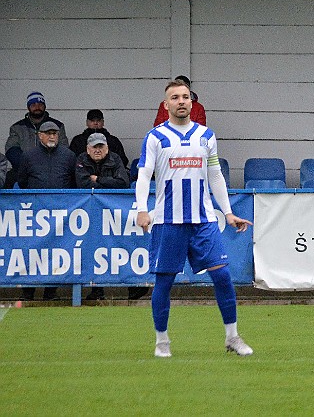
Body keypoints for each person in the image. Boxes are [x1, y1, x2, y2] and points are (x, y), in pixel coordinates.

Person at [136, 78, 253, 357]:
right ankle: (162, 341)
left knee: (223, 276)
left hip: (203, 220)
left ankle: (232, 337)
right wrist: (141, 208)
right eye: (174, 97)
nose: (181, 101)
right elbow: (144, 173)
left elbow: (215, 175)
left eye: (185, 97)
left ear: (192, 102)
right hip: (168, 221)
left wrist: (228, 212)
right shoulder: (155, 137)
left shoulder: (206, 136)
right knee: (164, 282)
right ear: (166, 105)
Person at [16, 121, 77, 301]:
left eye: (55, 133)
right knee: (32, 251)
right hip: (36, 212)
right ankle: (29, 291)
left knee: (57, 251)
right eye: (48, 133)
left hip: (61, 212)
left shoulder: (68, 156)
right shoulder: (28, 156)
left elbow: (74, 183)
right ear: (39, 135)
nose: (52, 136)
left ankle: (51, 291)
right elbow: (23, 181)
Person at [75, 133, 131, 300]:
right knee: (89, 250)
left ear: (107, 148)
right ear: (87, 149)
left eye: (101, 147)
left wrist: (98, 179)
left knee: (120, 250)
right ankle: (96, 290)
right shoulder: (80, 159)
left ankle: (132, 287)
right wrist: (107, 181)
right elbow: (82, 183)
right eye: (94, 147)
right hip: (88, 215)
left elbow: (123, 183)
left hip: (113, 214)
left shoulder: (115, 159)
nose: (97, 150)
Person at [5, 92, 68, 187]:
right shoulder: (17, 127)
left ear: (45, 106)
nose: (37, 107)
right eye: (33, 105)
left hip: (52, 170)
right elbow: (11, 149)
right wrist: (29, 164)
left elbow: (64, 148)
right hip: (24, 170)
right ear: (28, 107)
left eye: (40, 104)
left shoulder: (57, 126)